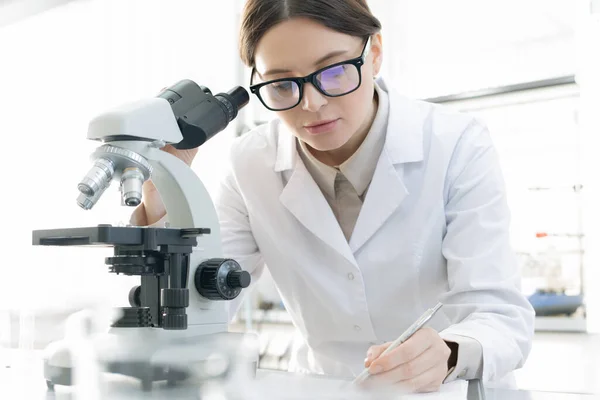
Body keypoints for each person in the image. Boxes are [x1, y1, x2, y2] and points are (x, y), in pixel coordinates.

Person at [131, 0, 535, 393]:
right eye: (282, 84)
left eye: (335, 71)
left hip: (447, 390)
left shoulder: (456, 143)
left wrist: (448, 352)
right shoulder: (249, 161)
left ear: (374, 54)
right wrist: (164, 184)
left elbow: (499, 314)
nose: (313, 103)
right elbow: (198, 309)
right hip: (327, 387)